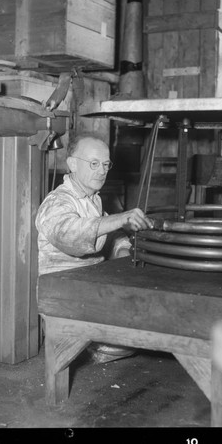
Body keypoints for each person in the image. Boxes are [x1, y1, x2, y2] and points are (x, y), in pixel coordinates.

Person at [35, 132, 154, 362]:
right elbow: (70, 233)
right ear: (72, 164)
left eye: (106, 164)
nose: (102, 171)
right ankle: (83, 347)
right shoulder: (58, 202)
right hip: (64, 296)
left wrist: (122, 249)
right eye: (93, 163)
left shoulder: (92, 199)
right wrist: (120, 218)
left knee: (143, 325)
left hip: (90, 288)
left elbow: (111, 232)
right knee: (128, 339)